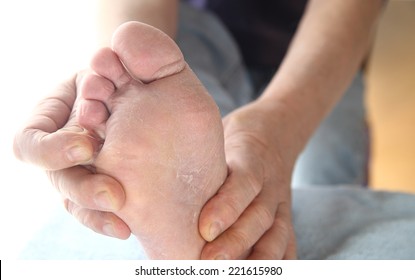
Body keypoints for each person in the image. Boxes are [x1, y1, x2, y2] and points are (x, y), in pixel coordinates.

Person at [13, 0, 385, 259]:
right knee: (223, 156)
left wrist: (282, 126)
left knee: (328, 157)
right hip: (189, 35)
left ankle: (195, 226)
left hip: (322, 41)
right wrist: (119, 77)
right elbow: (139, 36)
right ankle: (202, 203)